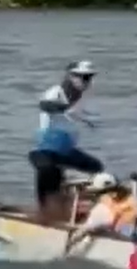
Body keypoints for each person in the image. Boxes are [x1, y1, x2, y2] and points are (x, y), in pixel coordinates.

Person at [30, 61, 102, 219]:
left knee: (97, 169)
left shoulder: (81, 98)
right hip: (46, 150)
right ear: (71, 76)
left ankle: (77, 206)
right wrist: (63, 108)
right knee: (49, 171)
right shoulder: (56, 92)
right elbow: (44, 105)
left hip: (66, 150)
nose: (87, 82)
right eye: (84, 77)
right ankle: (44, 212)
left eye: (89, 78)